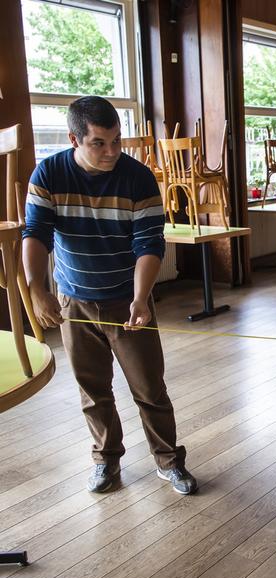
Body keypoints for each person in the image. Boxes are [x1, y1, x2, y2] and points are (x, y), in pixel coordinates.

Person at [23, 96, 198, 495]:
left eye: (117, 141)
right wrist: (37, 289)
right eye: (99, 143)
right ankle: (106, 461)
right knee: (93, 389)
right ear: (74, 139)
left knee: (149, 388)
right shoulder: (49, 174)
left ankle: (169, 461)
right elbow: (35, 234)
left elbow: (149, 245)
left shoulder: (137, 178)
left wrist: (141, 298)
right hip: (75, 300)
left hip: (127, 300)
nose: (111, 152)